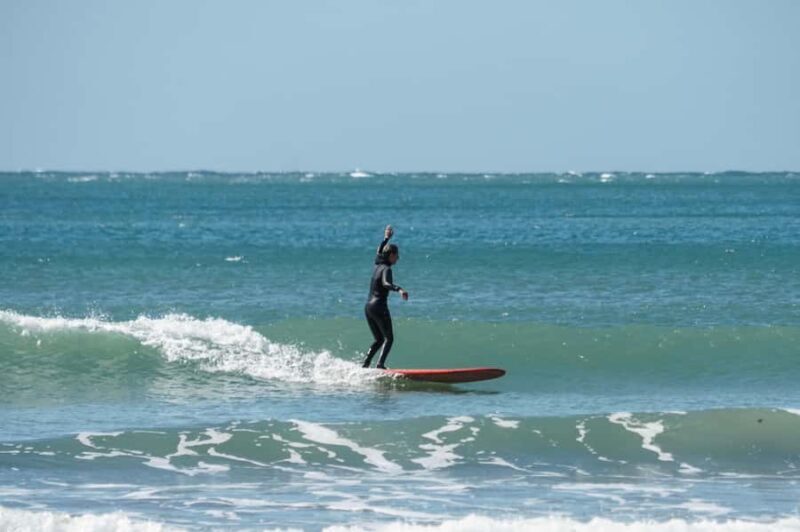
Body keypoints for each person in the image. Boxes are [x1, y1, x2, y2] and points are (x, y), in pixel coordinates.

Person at [362, 225, 409, 369]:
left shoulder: (377, 264)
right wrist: (399, 289)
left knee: (379, 339)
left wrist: (386, 238)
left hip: (368, 307)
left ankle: (365, 364)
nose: (398, 258)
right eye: (397, 255)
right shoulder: (386, 269)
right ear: (391, 255)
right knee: (389, 338)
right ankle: (380, 365)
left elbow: (379, 251)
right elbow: (385, 283)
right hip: (379, 307)